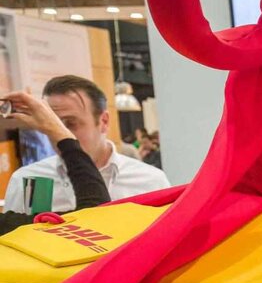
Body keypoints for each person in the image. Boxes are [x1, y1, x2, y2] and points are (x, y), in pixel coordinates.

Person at [3, 75, 170, 213]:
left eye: (70, 123)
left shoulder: (150, 181)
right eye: (51, 125)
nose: (59, 134)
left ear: (103, 121)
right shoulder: (27, 179)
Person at [0, 90, 110, 234]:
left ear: (104, 121)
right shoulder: (25, 176)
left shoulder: (146, 176)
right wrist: (60, 134)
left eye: (70, 123)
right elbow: (96, 217)